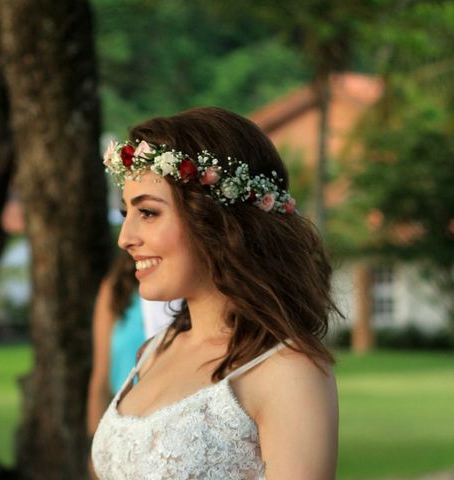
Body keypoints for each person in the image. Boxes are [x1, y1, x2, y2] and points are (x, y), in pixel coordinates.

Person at [92, 107, 340, 479]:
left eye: (147, 212)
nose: (125, 239)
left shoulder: (287, 371)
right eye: (127, 211)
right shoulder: (156, 350)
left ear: (217, 221)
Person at [86, 251, 173, 439]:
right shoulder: (117, 287)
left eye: (150, 218)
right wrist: (96, 446)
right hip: (122, 434)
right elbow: (101, 379)